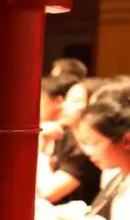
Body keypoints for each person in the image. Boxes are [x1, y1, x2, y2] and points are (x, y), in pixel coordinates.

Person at [37, 74, 102, 204]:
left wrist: (40, 144)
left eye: (75, 101)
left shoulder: (87, 150)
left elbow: (47, 193)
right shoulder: (65, 137)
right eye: (67, 99)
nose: (64, 105)